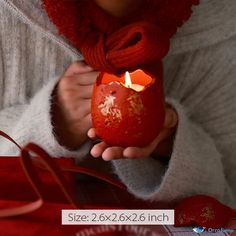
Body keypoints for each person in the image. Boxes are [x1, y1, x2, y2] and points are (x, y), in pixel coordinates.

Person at [0, 0, 235, 209]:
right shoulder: (7, 15)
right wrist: (49, 124)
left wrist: (171, 148)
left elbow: (226, 203)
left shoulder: (223, 28)